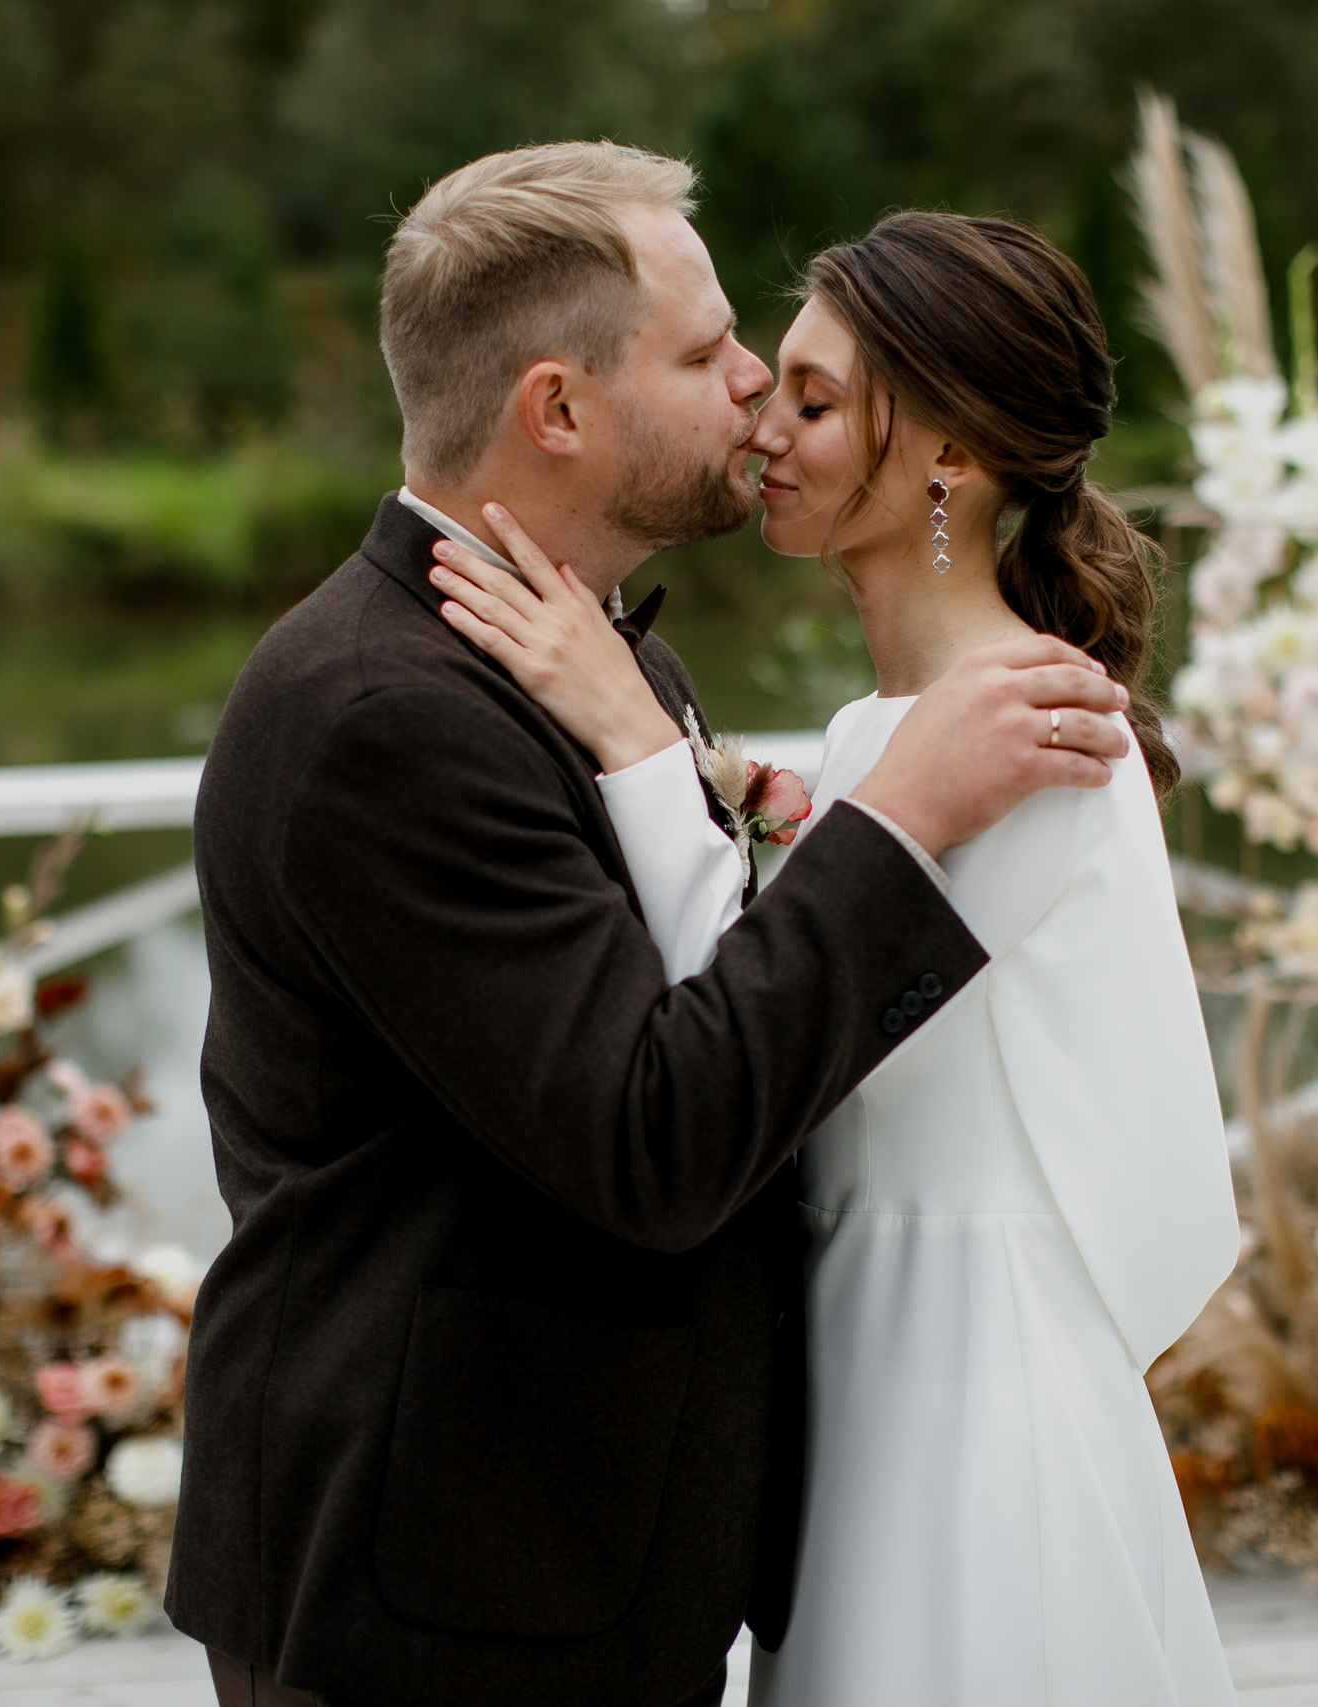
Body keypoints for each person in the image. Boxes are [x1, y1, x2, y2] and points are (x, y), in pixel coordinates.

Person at [165, 146, 1134, 1707]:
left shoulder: (602, 673)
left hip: (588, 1561)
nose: (756, 383)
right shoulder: (378, 716)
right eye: (703, 354)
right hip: (435, 1594)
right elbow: (651, 1138)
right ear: (558, 409)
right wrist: (901, 822)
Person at [433, 211, 1241, 1706]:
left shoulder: (1032, 732)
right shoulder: (891, 736)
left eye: (813, 401)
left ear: (947, 457)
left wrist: (623, 731)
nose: (765, 429)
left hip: (973, 1391)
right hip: (864, 1361)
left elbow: (774, 1039)